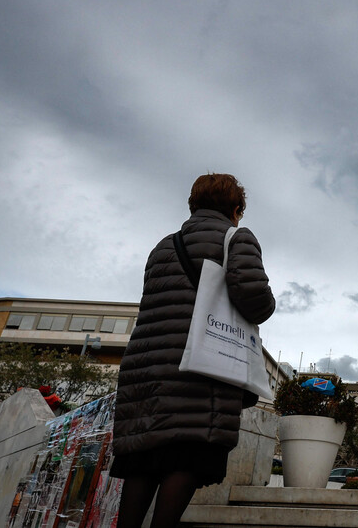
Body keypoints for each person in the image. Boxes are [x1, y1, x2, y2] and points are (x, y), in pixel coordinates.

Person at [111, 174, 275, 528]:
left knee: (145, 458)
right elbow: (256, 302)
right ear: (236, 210)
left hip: (146, 369)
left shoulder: (163, 246)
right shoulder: (236, 238)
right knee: (185, 457)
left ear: (193, 206)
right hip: (201, 369)